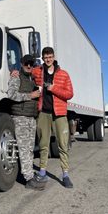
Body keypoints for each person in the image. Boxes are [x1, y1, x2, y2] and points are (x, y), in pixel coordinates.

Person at [32, 47, 74, 188]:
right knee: (43, 144)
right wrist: (15, 72)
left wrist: (53, 88)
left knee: (62, 144)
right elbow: (26, 73)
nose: (48, 59)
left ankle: (65, 174)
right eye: (45, 57)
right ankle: (42, 172)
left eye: (50, 57)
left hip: (60, 114)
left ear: (54, 57)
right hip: (44, 113)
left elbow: (69, 94)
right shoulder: (38, 71)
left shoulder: (63, 74)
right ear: (43, 58)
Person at [7, 54, 47, 190]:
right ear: (22, 63)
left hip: (31, 118)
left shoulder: (32, 79)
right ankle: (28, 179)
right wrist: (31, 96)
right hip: (20, 118)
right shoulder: (16, 77)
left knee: (29, 149)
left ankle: (29, 174)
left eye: (31, 63)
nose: (29, 66)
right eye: (26, 63)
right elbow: (11, 95)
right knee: (24, 149)